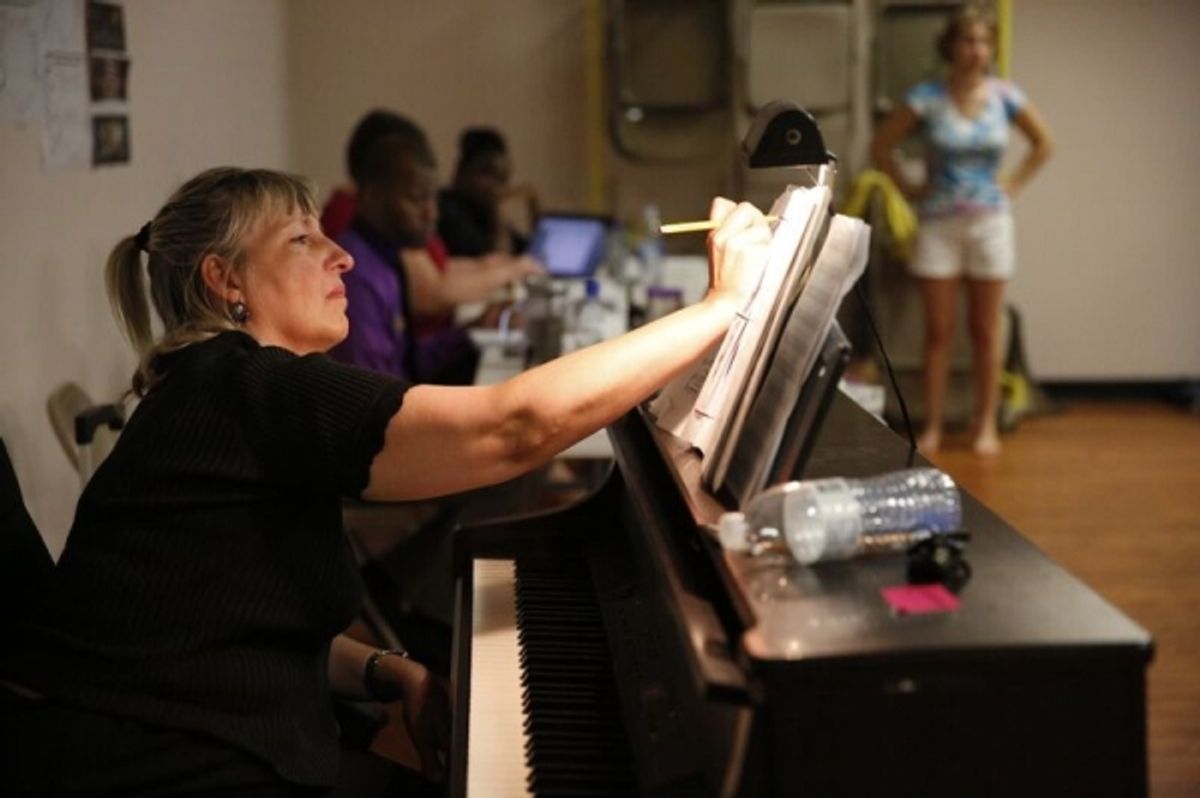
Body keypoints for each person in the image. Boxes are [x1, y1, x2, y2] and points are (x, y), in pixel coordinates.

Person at [0, 166, 770, 794]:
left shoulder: (214, 387)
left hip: (181, 734)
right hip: (149, 765)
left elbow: (228, 624)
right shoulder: (250, 388)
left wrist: (384, 666)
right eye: (303, 239)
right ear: (224, 279)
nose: (342, 257)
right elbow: (512, 428)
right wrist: (723, 305)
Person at [871, 3, 1052, 455]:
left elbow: (1044, 143)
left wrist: (1012, 183)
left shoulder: (1005, 96)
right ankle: (931, 425)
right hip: (938, 224)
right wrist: (910, 188)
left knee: (986, 330)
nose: (976, 50)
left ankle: (985, 423)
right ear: (951, 46)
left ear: (991, 48)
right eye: (968, 41)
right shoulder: (926, 97)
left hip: (989, 223)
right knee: (939, 333)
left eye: (983, 42)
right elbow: (882, 145)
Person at [326, 111, 538, 383]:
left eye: (433, 199)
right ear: (370, 195)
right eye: (416, 199)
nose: (432, 214)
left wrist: (471, 329)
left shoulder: (385, 256)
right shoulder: (357, 273)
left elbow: (407, 360)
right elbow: (372, 399)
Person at [438, 126, 537, 257]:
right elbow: (496, 265)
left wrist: (534, 207)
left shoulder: (483, 211)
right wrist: (498, 215)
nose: (496, 186)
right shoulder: (445, 210)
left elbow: (532, 254)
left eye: (503, 178)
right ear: (460, 172)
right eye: (488, 173)